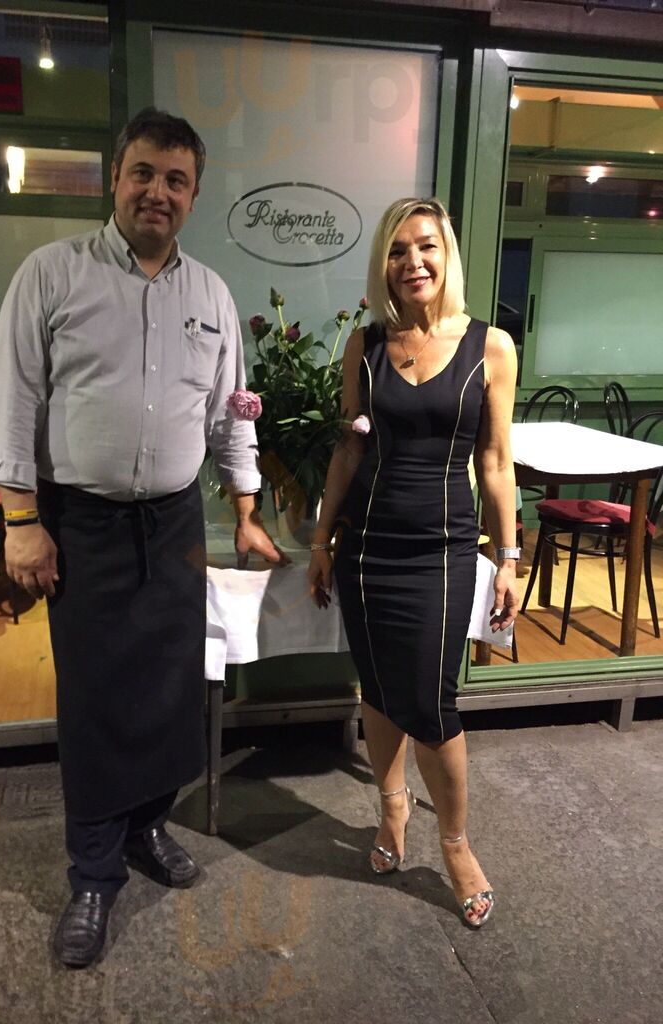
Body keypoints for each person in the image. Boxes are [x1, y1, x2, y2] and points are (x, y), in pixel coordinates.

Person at [0, 107, 284, 967]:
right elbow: (11, 401)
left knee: (167, 690)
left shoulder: (212, 296)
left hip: (175, 520)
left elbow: (232, 414)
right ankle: (92, 873)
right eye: (143, 172)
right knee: (95, 698)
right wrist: (21, 522)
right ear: (115, 178)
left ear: (193, 195)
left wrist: (248, 507)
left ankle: (147, 828)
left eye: (176, 180)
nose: (158, 191)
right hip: (82, 524)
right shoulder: (52, 275)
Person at [307, 197, 519, 928]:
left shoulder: (490, 347)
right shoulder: (366, 346)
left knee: (431, 704)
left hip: (443, 551)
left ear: (446, 254)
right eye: (397, 251)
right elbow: (349, 448)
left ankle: (454, 844)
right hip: (367, 548)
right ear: (385, 265)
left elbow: (497, 463)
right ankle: (392, 806)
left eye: (425, 246)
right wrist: (321, 541)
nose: (412, 262)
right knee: (377, 689)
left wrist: (509, 557)